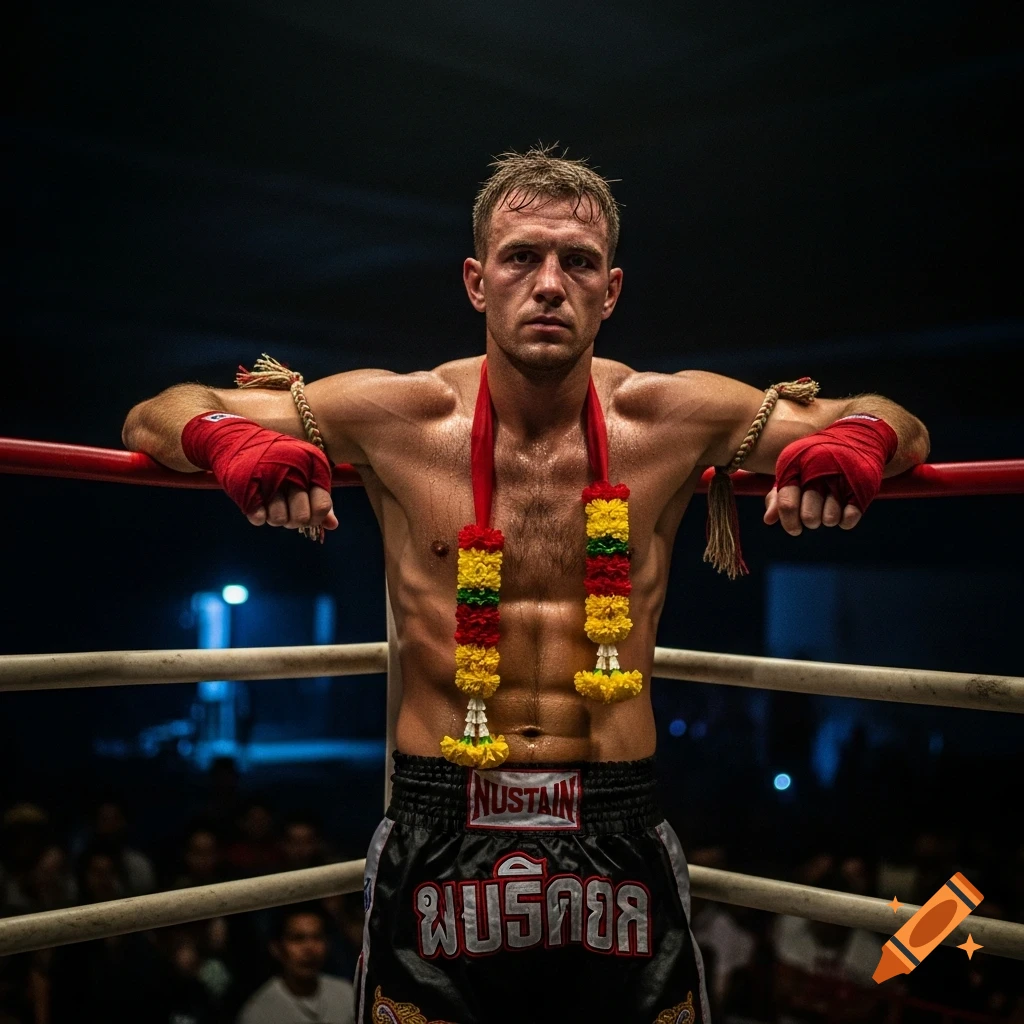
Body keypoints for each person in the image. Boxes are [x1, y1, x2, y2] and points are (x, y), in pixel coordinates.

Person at [123, 146, 929, 1024]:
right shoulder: (403, 414)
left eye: (578, 262)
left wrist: (854, 446)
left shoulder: (670, 415)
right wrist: (229, 441)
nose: (550, 284)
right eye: (522, 259)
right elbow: (159, 412)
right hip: (442, 813)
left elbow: (896, 421)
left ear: (610, 291)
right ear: (477, 281)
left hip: (615, 815)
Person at [236, 904, 354, 1024]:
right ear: (276, 948)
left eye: (317, 937)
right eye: (298, 938)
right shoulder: (258, 1013)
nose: (310, 948)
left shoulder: (347, 994)